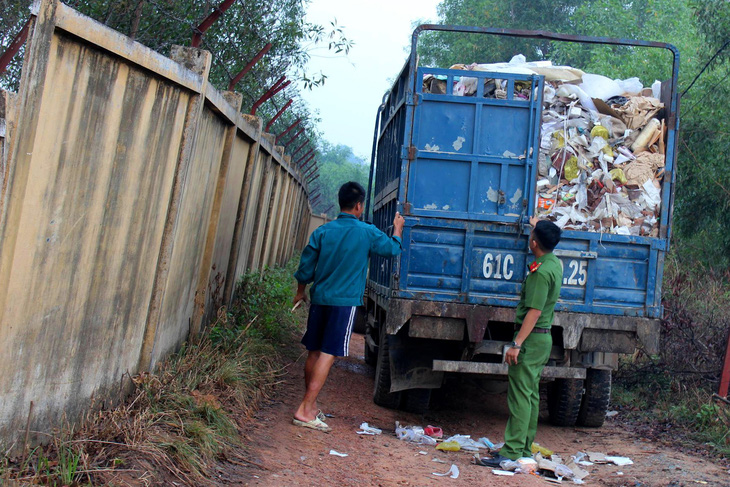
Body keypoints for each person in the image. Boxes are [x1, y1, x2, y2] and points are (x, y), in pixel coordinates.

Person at [292, 181, 405, 432]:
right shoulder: (367, 232)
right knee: (329, 352)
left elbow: (305, 268)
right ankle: (304, 409)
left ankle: (309, 406)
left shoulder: (323, 232)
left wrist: (300, 292)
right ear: (358, 206)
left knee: (314, 350)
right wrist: (397, 229)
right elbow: (392, 250)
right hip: (343, 305)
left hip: (320, 299)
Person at [480, 216, 563, 467]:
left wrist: (516, 344)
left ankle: (513, 450)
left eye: (532, 236)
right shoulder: (554, 263)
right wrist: (536, 226)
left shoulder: (540, 272)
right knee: (530, 395)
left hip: (531, 339)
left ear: (535, 243)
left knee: (518, 396)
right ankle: (523, 446)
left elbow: (534, 311)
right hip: (543, 339)